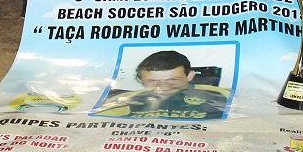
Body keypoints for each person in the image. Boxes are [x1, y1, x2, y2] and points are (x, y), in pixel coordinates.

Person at [93, 50, 228, 120]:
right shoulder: (125, 100)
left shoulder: (222, 95)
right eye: (154, 81)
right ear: (140, 80)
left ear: (190, 76)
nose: (163, 86)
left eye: (173, 80)